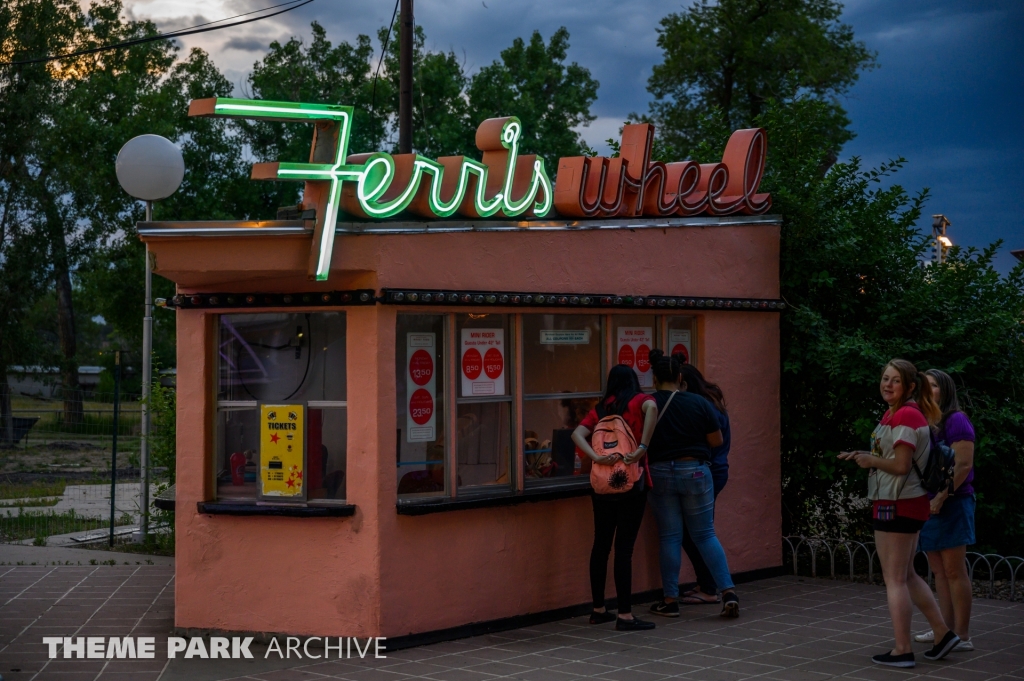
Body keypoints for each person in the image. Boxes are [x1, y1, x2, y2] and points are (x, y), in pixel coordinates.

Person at [838, 359, 959, 668]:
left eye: (894, 380)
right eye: (884, 379)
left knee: (894, 580)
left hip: (897, 505)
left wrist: (871, 461)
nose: (887, 384)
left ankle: (903, 650)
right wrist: (866, 456)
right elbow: (893, 457)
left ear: (909, 386)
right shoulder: (899, 413)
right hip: (903, 503)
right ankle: (943, 634)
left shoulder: (905, 414)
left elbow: (901, 466)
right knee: (906, 575)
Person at [644, 350, 740, 619]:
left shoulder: (648, 403)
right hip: (695, 471)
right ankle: (728, 591)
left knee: (670, 536)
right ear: (679, 377)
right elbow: (716, 441)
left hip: (660, 472)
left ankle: (670, 599)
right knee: (705, 534)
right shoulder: (699, 404)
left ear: (654, 378)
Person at [572, 365, 658, 631]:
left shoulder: (600, 409)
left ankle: (598, 609)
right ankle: (625, 615)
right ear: (633, 381)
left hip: (602, 487)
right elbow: (653, 408)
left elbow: (577, 434)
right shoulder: (637, 401)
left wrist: (596, 457)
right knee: (624, 549)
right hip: (631, 483)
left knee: (601, 545)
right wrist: (643, 446)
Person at [913, 369, 976, 651]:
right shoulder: (927, 421)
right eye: (924, 386)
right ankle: (945, 630)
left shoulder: (956, 420)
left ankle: (962, 635)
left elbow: (963, 465)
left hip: (952, 502)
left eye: (934, 385)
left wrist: (941, 497)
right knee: (938, 570)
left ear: (945, 390)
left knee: (954, 570)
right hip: (929, 503)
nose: (928, 390)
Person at [673, 361, 730, 605]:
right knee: (700, 530)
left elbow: (706, 442)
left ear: (685, 384)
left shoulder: (701, 407)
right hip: (717, 470)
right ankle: (706, 583)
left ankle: (709, 587)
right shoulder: (712, 401)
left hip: (706, 471)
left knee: (694, 533)